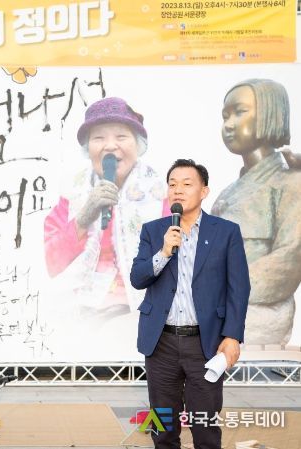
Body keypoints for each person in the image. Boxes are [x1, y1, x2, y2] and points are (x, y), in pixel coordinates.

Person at [131, 159, 250, 449]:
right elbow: (137, 278)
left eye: (187, 184)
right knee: (163, 428)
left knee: (205, 429)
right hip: (161, 343)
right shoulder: (153, 231)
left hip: (205, 344)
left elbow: (239, 288)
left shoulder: (226, 232)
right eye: (172, 184)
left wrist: (232, 336)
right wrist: (163, 252)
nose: (178, 190)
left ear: (204, 191)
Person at [44, 97, 168, 321]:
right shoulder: (72, 193)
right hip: (81, 313)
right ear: (87, 148)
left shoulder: (161, 194)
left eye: (121, 136)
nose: (110, 146)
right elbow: (49, 263)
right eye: (99, 138)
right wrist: (84, 217)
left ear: (138, 145)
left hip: (141, 314)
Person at [211, 79, 301, 346]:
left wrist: (227, 290)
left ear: (271, 114)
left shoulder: (291, 182)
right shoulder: (226, 193)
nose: (229, 124)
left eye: (240, 112)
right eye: (225, 116)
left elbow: (290, 256)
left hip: (258, 311)